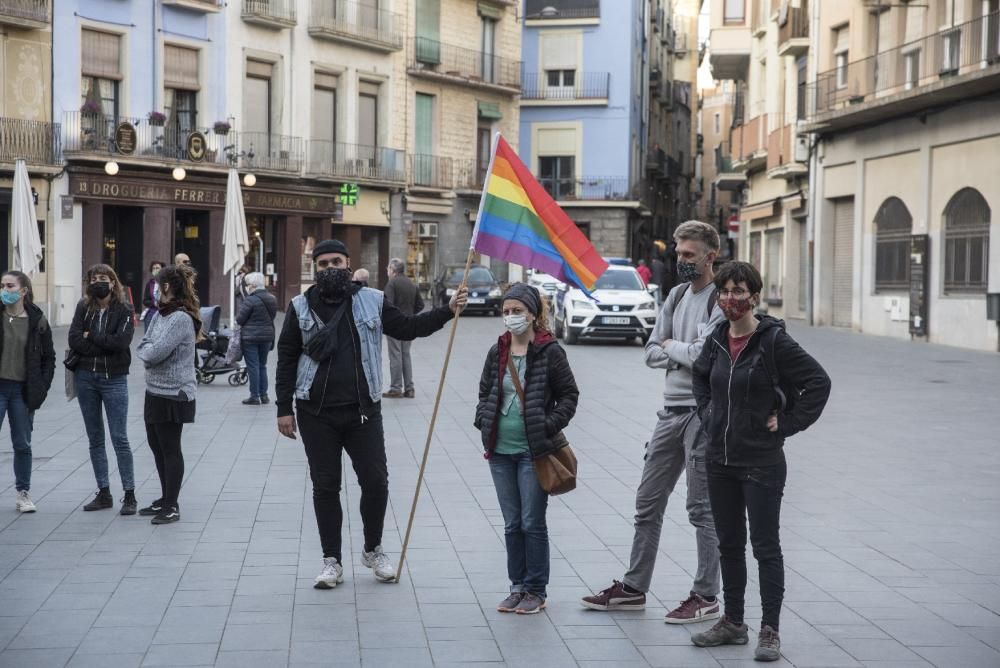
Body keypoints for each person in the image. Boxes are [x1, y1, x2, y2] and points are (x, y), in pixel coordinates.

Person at [274, 239, 468, 588]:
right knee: (325, 486)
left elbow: (409, 328)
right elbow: (286, 356)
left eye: (336, 261)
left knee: (376, 481)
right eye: (322, 264)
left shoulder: (373, 301)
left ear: (349, 263)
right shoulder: (300, 306)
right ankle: (331, 560)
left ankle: (373, 549)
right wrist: (282, 408)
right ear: (315, 269)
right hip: (315, 413)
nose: (330, 268)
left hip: (363, 413)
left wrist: (448, 309)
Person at [582, 220, 725, 624]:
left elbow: (703, 357)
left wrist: (674, 348)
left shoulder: (719, 300)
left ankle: (706, 594)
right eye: (678, 254)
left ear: (710, 256)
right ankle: (633, 588)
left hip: (702, 414)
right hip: (669, 413)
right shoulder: (676, 296)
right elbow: (650, 351)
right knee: (647, 503)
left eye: (687, 255)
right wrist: (680, 350)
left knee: (701, 509)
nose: (679, 260)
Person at [690, 261, 830, 661]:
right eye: (724, 292)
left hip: (761, 462)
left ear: (754, 295)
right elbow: (701, 377)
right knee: (729, 544)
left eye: (738, 291)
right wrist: (708, 415)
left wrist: (787, 423)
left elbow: (818, 383)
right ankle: (733, 621)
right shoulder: (717, 337)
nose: (730, 299)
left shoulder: (773, 341)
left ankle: (770, 630)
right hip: (719, 458)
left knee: (765, 546)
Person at [475, 284, 579, 615]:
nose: (511, 317)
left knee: (532, 522)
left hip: (534, 452)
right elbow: (484, 391)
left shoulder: (550, 352)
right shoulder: (498, 350)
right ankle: (516, 586)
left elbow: (570, 395)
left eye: (517, 310)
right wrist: (483, 419)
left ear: (533, 314)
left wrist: (548, 425)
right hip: (500, 452)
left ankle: (536, 589)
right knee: (511, 523)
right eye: (506, 311)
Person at [69, 264, 138, 515]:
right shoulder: (83, 307)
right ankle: (104, 492)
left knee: (119, 438)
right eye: (93, 278)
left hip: (114, 379)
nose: (98, 282)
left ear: (113, 282)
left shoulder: (124, 309)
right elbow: (74, 339)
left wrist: (92, 337)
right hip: (86, 378)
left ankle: (129, 494)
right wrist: (100, 342)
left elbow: (121, 342)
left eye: (103, 278)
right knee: (95, 438)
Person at [136, 264, 201, 525]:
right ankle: (164, 497)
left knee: (170, 448)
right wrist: (149, 353)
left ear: (164, 287)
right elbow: (144, 345)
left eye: (156, 285)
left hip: (174, 393)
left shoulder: (180, 318)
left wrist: (149, 354)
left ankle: (172, 505)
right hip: (154, 390)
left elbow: (154, 352)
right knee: (156, 446)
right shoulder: (160, 315)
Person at [0, 271, 55, 513]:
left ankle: (23, 492)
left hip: (22, 391)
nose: (4, 290)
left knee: (22, 443)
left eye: (10, 286)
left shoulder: (38, 320)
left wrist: (41, 388)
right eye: (2, 285)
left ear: (23, 291)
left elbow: (48, 358)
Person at [382, 258, 424, 399]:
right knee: (405, 355)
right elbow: (421, 305)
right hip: (409, 324)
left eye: (388, 268)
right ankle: (409, 388)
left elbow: (388, 304)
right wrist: (410, 315)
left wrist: (394, 318)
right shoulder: (412, 283)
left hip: (395, 326)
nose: (387, 271)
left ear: (393, 270)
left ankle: (395, 388)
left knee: (395, 356)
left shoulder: (392, 283)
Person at [236, 271, 278, 406]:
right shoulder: (272, 298)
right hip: (267, 336)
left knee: (253, 366)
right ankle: (264, 395)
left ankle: (254, 396)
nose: (247, 287)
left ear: (253, 285)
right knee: (262, 365)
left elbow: (240, 319)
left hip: (250, 338)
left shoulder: (250, 300)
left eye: (248, 284)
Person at [141, 261, 164, 332]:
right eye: (153, 268)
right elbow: (145, 301)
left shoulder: (167, 283)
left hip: (164, 311)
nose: (155, 270)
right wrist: (153, 303)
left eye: (157, 268)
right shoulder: (150, 284)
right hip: (152, 311)